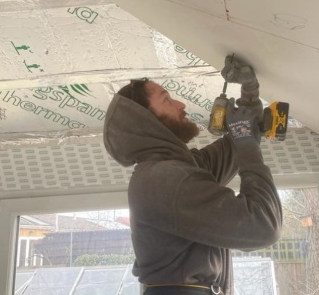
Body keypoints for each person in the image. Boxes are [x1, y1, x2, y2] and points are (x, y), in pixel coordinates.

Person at [103, 55, 283, 295]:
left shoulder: (179, 169)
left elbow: (236, 144)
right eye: (167, 100)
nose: (181, 104)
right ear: (147, 121)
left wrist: (249, 94)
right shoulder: (164, 180)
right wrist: (246, 142)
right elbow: (262, 226)